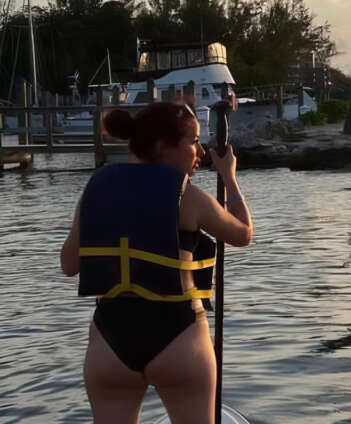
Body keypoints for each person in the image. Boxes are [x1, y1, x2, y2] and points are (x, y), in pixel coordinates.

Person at [60, 100, 253, 423]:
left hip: (110, 344)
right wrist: (229, 178)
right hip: (179, 339)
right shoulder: (189, 197)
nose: (201, 153)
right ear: (164, 147)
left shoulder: (96, 190)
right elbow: (243, 234)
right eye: (193, 142)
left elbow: (69, 265)